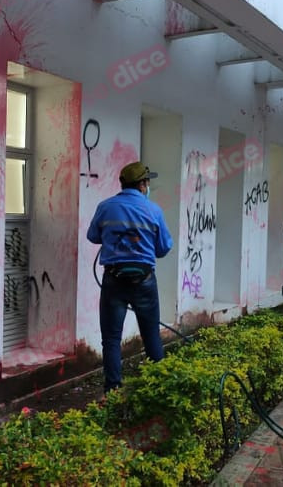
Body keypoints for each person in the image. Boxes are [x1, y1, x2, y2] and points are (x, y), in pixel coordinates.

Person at [87, 161, 173, 393]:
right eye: (147, 182)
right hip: (144, 281)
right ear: (143, 184)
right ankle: (159, 388)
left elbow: (93, 236)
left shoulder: (105, 207)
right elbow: (164, 248)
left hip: (113, 281)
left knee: (112, 338)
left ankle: (112, 389)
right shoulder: (154, 210)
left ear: (123, 183)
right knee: (151, 335)